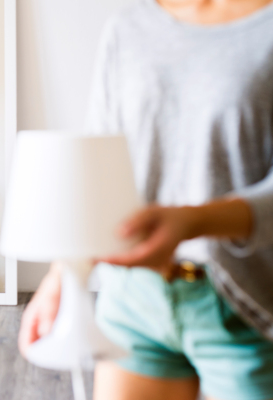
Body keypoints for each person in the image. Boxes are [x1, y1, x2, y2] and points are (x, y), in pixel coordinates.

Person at [19, 1, 273, 399]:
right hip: (133, 301)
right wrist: (61, 276)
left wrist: (194, 221)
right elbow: (99, 164)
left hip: (250, 306)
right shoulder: (130, 29)